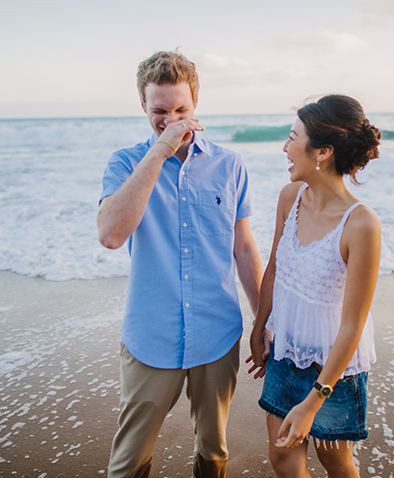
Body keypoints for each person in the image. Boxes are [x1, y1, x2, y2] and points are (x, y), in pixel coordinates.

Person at [97, 50, 263, 478]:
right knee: (129, 463)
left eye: (181, 110)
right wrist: (160, 151)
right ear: (142, 106)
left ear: (196, 104)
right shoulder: (124, 163)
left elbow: (243, 247)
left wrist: (265, 322)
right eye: (159, 111)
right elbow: (111, 235)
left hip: (217, 332)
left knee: (214, 451)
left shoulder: (230, 164)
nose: (171, 119)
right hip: (150, 335)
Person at [248, 94, 381, 478]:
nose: (285, 147)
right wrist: (259, 330)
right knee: (283, 458)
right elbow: (275, 265)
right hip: (285, 353)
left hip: (334, 370)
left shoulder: (361, 225)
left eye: (293, 137)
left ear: (322, 151)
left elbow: (353, 326)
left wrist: (313, 400)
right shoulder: (291, 197)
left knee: (335, 461)